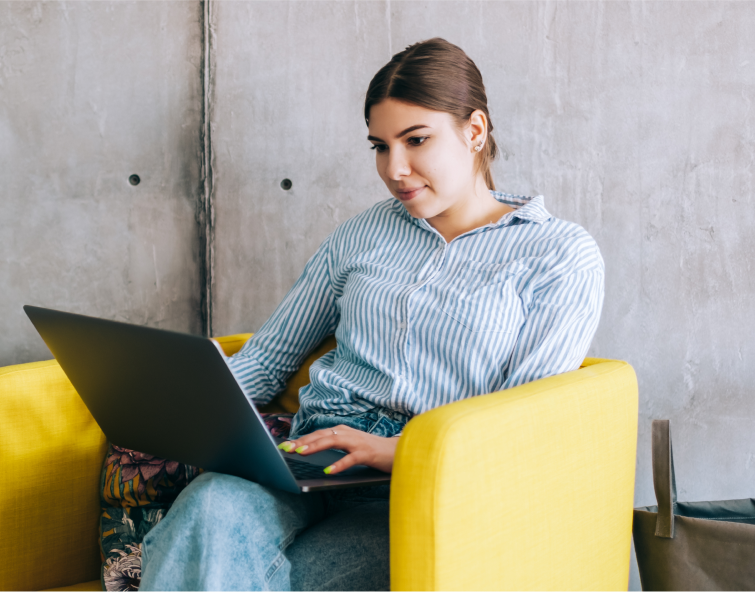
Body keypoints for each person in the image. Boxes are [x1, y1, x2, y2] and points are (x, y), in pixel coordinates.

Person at [138, 37, 604, 592]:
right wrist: (183, 409)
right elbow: (268, 358)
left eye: (416, 140)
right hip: (308, 457)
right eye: (379, 147)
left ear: (474, 131)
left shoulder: (560, 254)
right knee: (208, 507)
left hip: (422, 483)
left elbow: (520, 427)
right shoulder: (364, 232)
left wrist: (395, 450)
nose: (395, 168)